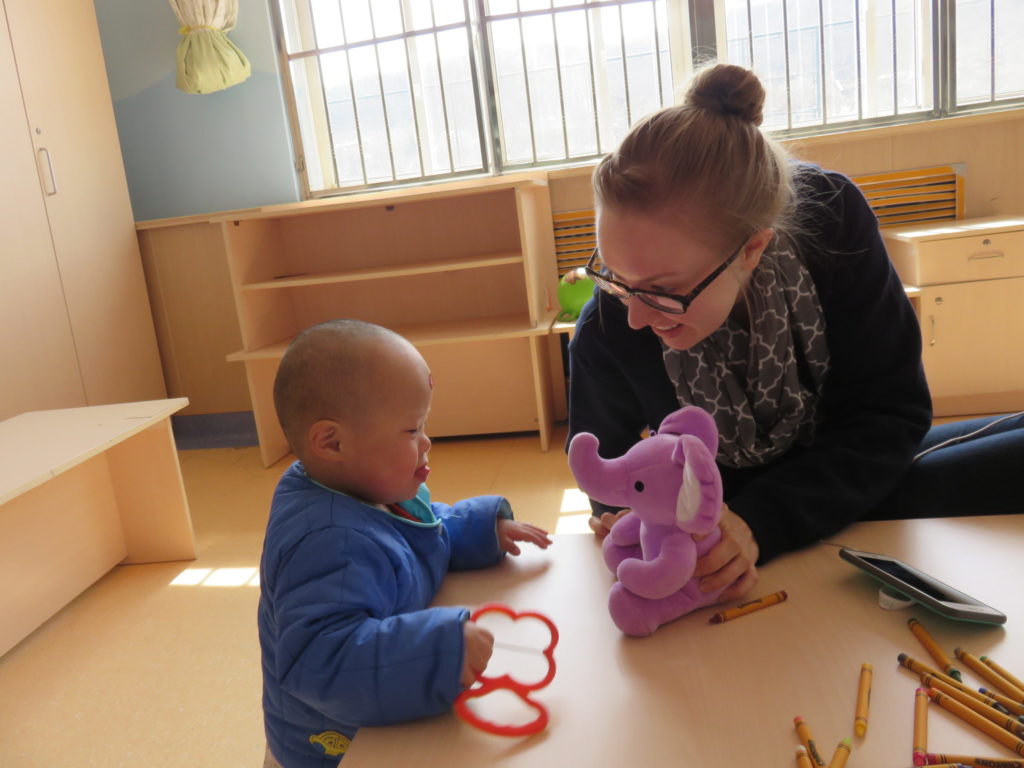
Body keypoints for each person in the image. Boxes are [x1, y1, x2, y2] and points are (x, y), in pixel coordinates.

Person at [567, 62, 1024, 604]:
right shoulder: (608, 324)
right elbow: (614, 483)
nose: (636, 317)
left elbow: (888, 415)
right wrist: (631, 523)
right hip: (792, 502)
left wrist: (760, 523)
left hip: (830, 470)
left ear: (752, 250)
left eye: (664, 291)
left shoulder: (830, 219)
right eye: (616, 277)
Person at [259, 319, 552, 768]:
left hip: (382, 716)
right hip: (333, 746)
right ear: (332, 442)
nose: (427, 441)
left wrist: (477, 528)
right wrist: (441, 649)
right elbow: (323, 662)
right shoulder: (326, 540)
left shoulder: (362, 486)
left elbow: (417, 534)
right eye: (411, 430)